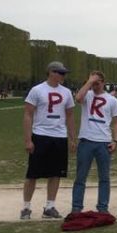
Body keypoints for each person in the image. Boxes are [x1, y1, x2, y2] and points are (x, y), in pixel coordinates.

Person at [21, 61, 76, 220]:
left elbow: (70, 116)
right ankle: (26, 207)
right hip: (40, 135)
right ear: (52, 72)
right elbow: (28, 115)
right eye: (61, 73)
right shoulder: (37, 90)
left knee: (56, 173)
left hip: (59, 136)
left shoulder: (66, 92)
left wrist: (72, 138)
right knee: (32, 174)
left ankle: (50, 206)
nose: (63, 76)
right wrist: (28, 139)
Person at [70, 71, 117, 215]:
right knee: (80, 177)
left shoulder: (112, 100)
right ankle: (76, 207)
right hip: (86, 140)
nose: (94, 85)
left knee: (104, 178)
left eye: (97, 82)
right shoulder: (87, 94)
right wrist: (89, 82)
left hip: (104, 142)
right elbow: (78, 98)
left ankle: (103, 207)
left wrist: (116, 140)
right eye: (92, 82)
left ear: (103, 82)